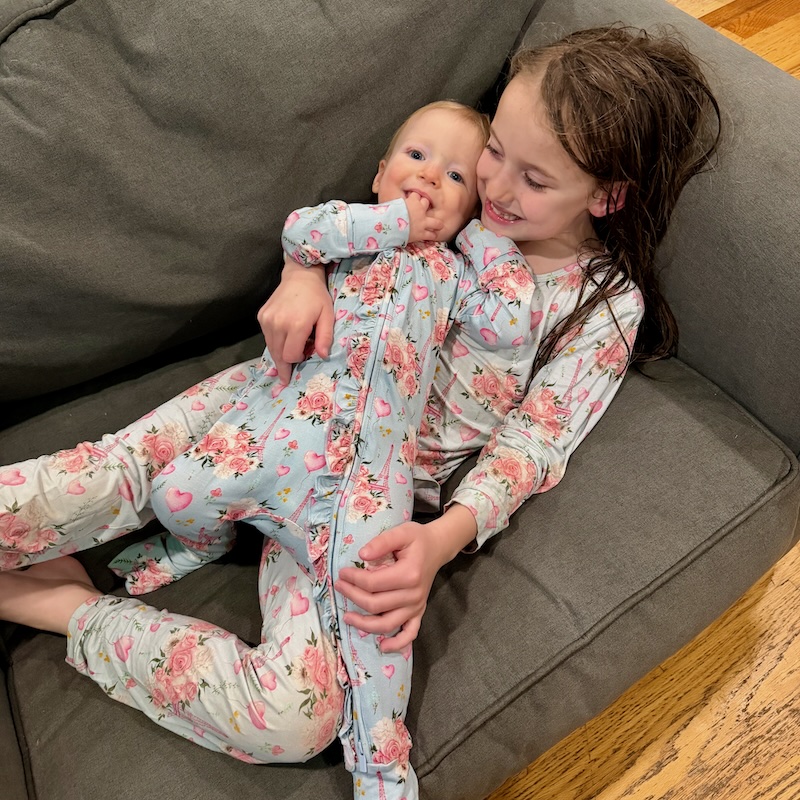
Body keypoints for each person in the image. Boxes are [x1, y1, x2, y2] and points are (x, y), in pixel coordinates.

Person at [0, 25, 721, 800]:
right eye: (496, 152)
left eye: (534, 178)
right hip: (277, 394)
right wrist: (301, 273)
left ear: (608, 196)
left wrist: (442, 539)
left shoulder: (602, 309)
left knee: (295, 718)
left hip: (361, 507)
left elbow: (536, 444)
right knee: (105, 478)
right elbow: (343, 221)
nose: (498, 187)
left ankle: (66, 608)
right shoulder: (457, 196)